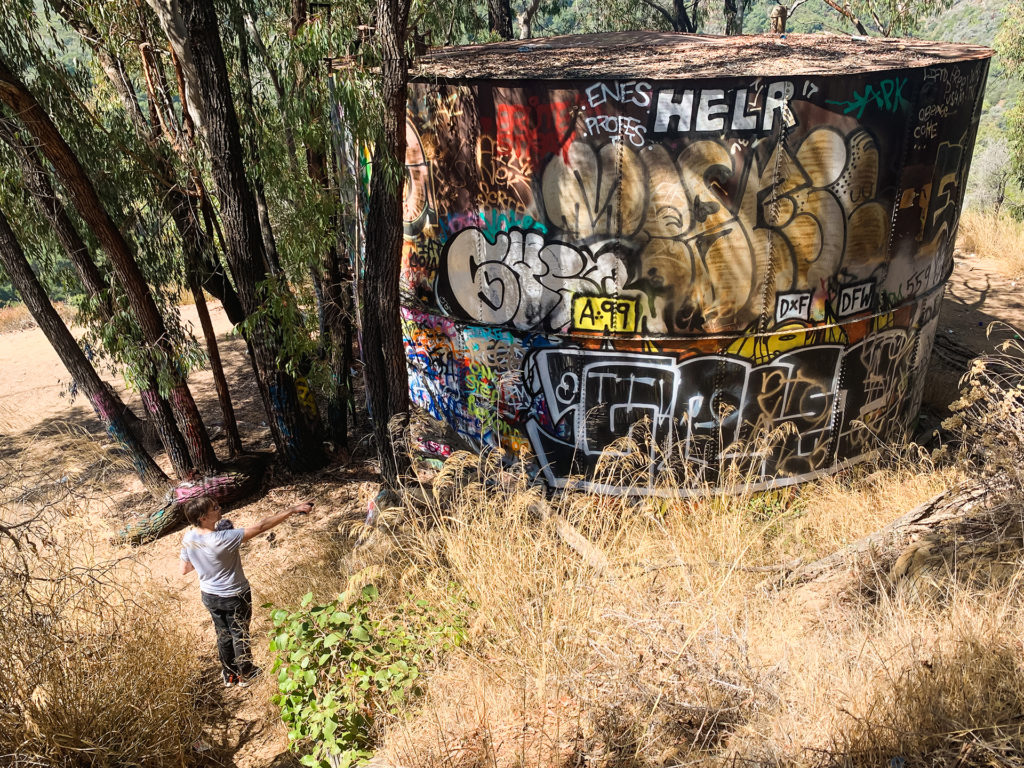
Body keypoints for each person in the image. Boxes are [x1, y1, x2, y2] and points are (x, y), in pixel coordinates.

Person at [180, 497, 313, 687]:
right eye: (214, 508)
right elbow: (260, 527)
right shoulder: (223, 538)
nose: (220, 508)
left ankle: (230, 674)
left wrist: (206, 560)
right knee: (239, 633)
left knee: (223, 634)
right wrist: (291, 510)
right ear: (202, 517)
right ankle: (246, 674)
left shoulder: (189, 537)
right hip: (234, 595)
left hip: (209, 596)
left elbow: (184, 568)